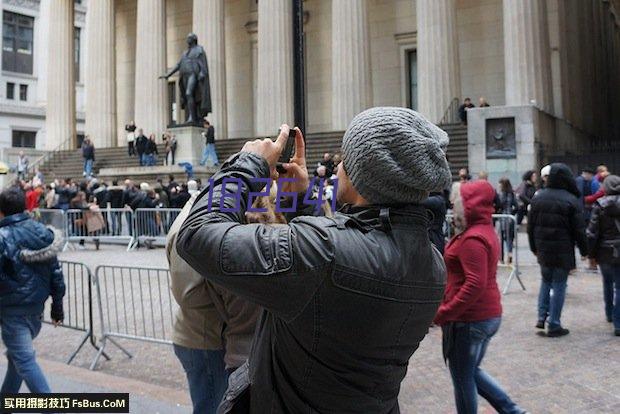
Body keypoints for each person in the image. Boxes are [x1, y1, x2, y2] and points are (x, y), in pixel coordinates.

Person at [177, 107, 452, 413]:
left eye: (348, 159)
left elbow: (198, 236)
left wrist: (247, 165)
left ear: (366, 176)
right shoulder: (432, 263)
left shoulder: (325, 253)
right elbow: (338, 273)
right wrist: (297, 200)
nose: (341, 165)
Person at [434, 180, 526, 414]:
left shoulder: (473, 238)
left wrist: (445, 312)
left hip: (470, 319)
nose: (453, 204)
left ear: (470, 205)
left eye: (458, 201)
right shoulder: (480, 230)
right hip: (482, 316)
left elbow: (474, 284)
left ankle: (511, 410)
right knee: (471, 371)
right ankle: (512, 410)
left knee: (463, 377)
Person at [168, 193, 261, 414]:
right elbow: (189, 295)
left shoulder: (209, 211)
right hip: (205, 339)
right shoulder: (193, 224)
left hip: (210, 336)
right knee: (212, 406)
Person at [0, 187, 65, 394]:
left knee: (24, 361)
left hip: (12, 310)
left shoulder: (2, 236)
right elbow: (56, 273)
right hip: (36, 308)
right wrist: (57, 308)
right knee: (18, 359)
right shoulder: (40, 232)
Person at [528, 163, 587, 337]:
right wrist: (584, 251)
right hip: (563, 250)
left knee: (546, 281)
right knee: (559, 285)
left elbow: (531, 227)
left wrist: (533, 247)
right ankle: (554, 323)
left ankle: (541, 316)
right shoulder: (570, 199)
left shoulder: (538, 197)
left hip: (544, 250)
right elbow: (579, 230)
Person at [586, 175, 620, 336]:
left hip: (605, 251)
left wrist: (590, 254)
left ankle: (609, 313)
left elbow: (592, 233)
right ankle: (618, 322)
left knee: (607, 283)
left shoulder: (599, 206)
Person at [497, 178, 518, 264]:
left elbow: (499, 205)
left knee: (501, 238)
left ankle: (501, 257)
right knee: (509, 238)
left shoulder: (501, 194)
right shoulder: (512, 193)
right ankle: (510, 253)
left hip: (503, 218)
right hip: (510, 218)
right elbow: (517, 206)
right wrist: (512, 213)